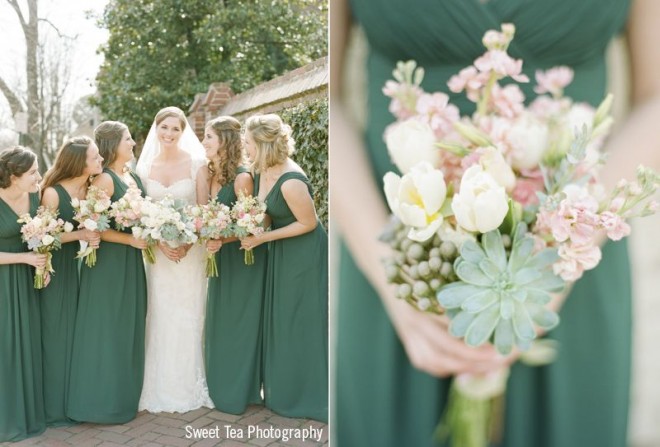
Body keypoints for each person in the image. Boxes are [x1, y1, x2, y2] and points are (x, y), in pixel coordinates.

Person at [331, 0, 660, 446]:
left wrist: (561, 252)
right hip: (400, 260)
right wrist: (392, 271)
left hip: (568, 264)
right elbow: (327, 92)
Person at [240, 114, 328, 422]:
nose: (245, 148)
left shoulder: (291, 181)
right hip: (281, 250)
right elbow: (267, 212)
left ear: (263, 145)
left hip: (303, 253)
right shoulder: (260, 170)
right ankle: (281, 391)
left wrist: (263, 238)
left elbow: (308, 223)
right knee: (281, 318)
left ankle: (307, 394)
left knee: (299, 319)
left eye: (248, 143)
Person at [66, 121, 149, 423]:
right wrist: (130, 238)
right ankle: (97, 403)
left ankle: (122, 397)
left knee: (127, 326)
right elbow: (91, 224)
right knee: (105, 329)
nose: (133, 143)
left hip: (131, 262)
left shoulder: (133, 177)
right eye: (128, 139)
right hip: (107, 264)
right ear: (114, 144)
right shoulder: (104, 180)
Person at [135, 106, 213, 413]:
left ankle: (191, 384)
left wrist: (188, 244)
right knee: (160, 314)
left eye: (175, 129)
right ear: (156, 129)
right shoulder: (144, 169)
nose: (168, 134)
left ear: (183, 132)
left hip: (189, 255)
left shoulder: (197, 164)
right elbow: (139, 213)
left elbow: (204, 213)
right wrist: (157, 240)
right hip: (158, 257)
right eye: (164, 128)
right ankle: (157, 386)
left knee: (190, 314)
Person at [201, 116, 267, 414]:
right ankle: (219, 386)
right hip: (218, 257)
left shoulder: (243, 177)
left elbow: (250, 225)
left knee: (238, 322)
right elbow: (202, 215)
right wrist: (209, 236)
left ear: (224, 142)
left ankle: (241, 391)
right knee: (219, 322)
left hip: (241, 258)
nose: (204, 142)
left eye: (209, 138)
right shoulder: (207, 173)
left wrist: (221, 240)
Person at [39, 136, 103, 426]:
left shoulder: (95, 188)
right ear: (80, 162)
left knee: (83, 337)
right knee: (59, 337)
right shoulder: (53, 193)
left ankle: (81, 399)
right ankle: (55, 407)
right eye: (95, 156)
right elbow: (42, 238)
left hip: (92, 271)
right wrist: (80, 235)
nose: (100, 159)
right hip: (62, 269)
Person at [0, 146, 47, 441]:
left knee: (26, 343)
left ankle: (26, 413)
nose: (39, 177)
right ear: (14, 176)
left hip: (27, 280)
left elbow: (41, 234)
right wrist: (25, 259)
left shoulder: (35, 195)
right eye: (32, 173)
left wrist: (43, 258)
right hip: (5, 279)